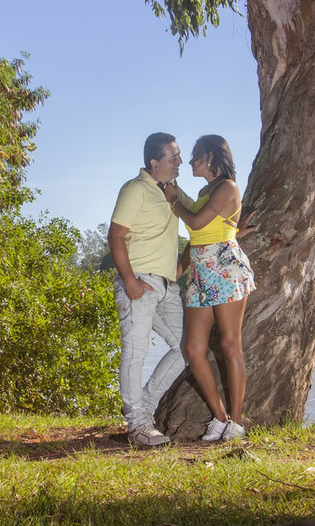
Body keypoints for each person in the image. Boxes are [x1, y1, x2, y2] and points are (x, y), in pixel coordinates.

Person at [164, 134, 255, 442]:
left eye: (196, 156)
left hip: (225, 269)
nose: (190, 162)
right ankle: (220, 416)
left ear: (212, 157)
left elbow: (199, 223)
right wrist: (180, 269)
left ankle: (237, 423)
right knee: (193, 348)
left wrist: (174, 200)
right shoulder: (205, 190)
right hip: (201, 270)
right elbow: (197, 238)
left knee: (230, 345)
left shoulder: (228, 187)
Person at [108, 132, 194, 446]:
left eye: (180, 155)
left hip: (167, 285)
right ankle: (137, 425)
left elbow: (199, 223)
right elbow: (115, 236)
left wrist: (178, 271)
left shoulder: (172, 191)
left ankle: (143, 407)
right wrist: (129, 280)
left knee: (187, 348)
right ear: (155, 162)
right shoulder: (135, 189)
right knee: (136, 353)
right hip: (138, 281)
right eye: (174, 157)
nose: (180, 162)